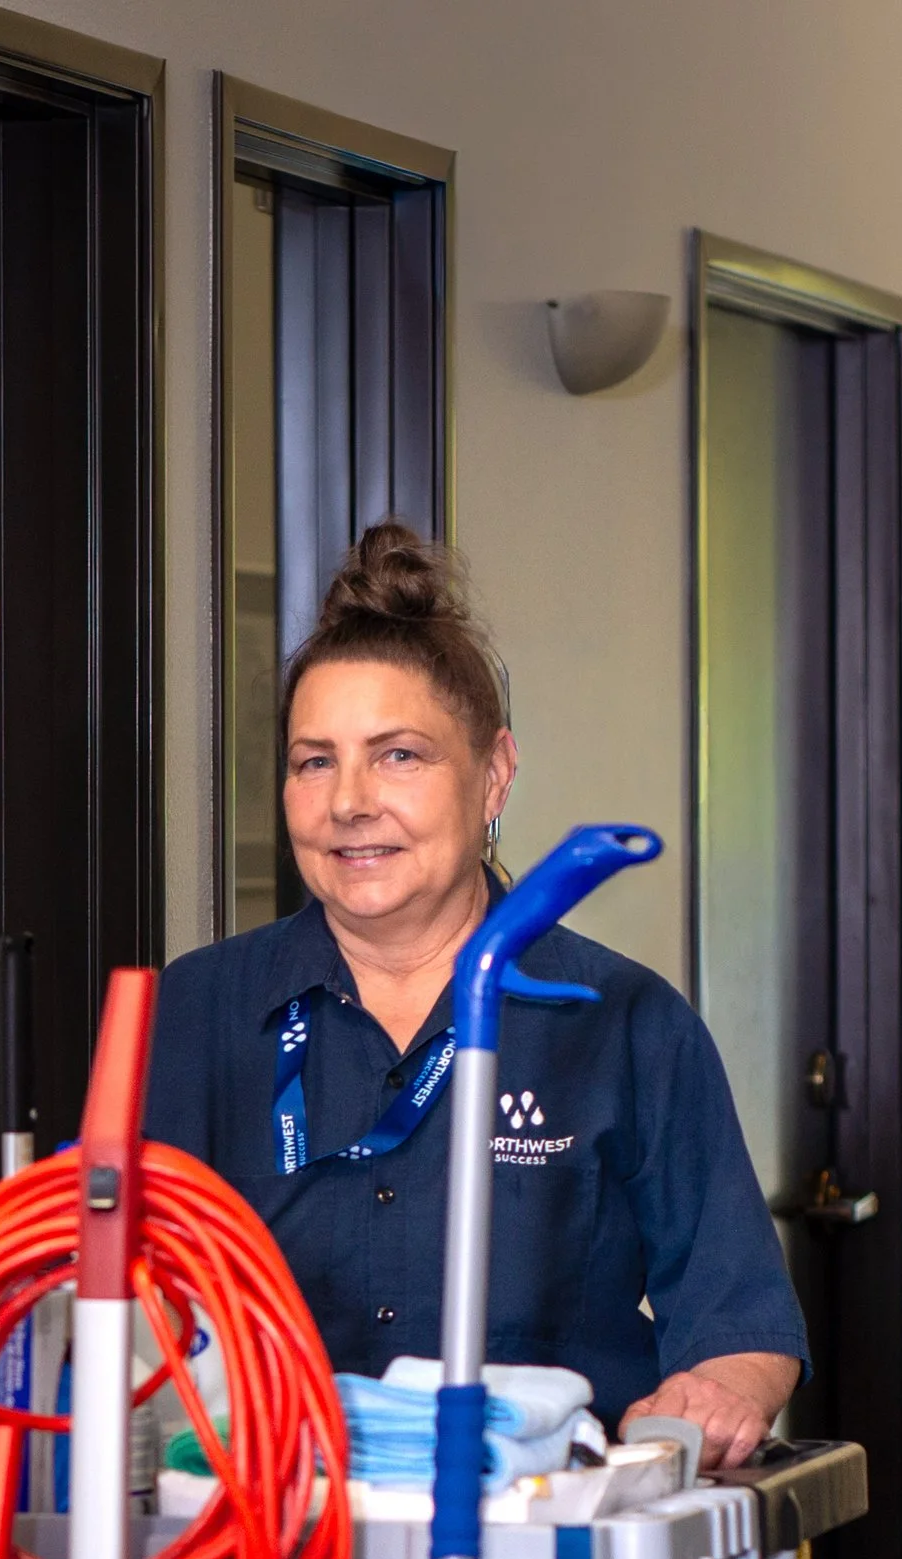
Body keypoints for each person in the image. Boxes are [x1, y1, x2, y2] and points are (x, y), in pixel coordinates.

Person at [143, 525, 802, 1471]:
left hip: (545, 1544)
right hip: (264, 1541)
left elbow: (740, 1322)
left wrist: (724, 1388)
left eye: (400, 755)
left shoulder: (622, 1021)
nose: (350, 802)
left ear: (494, 774)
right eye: (314, 760)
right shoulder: (198, 1011)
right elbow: (121, 1310)